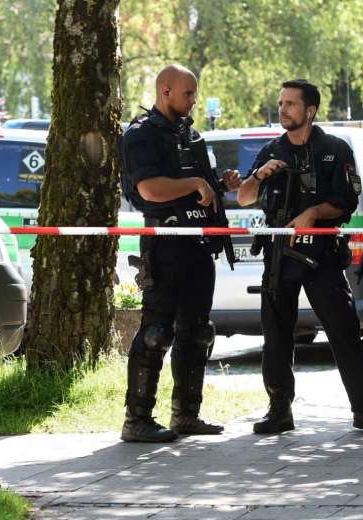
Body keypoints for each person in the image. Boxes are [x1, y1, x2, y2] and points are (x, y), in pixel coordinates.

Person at [237, 79, 363, 435]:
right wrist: (260, 175)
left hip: (321, 254)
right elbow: (244, 197)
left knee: (344, 332)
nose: (283, 109)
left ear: (310, 110)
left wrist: (315, 213)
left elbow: (346, 202)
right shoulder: (272, 150)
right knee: (275, 336)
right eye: (281, 103)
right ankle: (278, 410)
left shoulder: (334, 149)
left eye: (290, 103)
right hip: (280, 256)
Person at [119, 64, 241, 442]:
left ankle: (186, 414)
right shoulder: (140, 135)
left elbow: (201, 191)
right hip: (166, 245)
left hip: (199, 247)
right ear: (165, 91)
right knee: (157, 332)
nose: (193, 101)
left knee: (198, 332)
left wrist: (220, 186)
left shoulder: (192, 136)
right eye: (187, 94)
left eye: (194, 93)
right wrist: (195, 183)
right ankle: (136, 419)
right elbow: (150, 190)